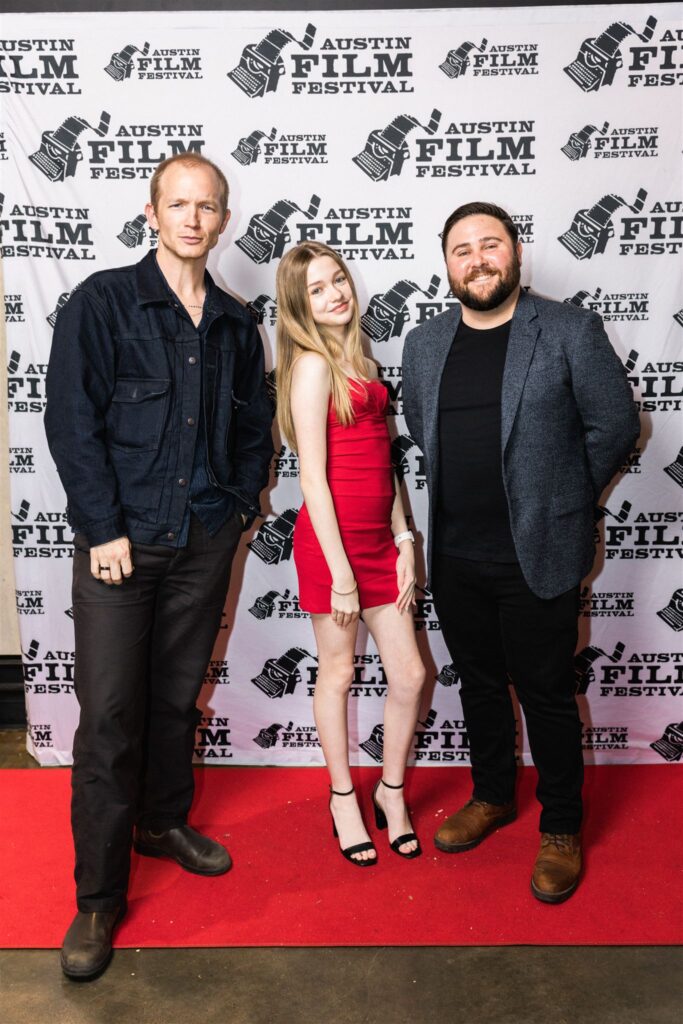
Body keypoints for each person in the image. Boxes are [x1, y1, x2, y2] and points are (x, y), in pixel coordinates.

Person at [44, 153, 274, 978]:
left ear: (221, 221)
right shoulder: (102, 302)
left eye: (206, 207)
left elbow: (255, 431)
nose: (191, 219)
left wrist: (239, 505)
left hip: (202, 540)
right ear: (151, 212)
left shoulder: (235, 323)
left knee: (176, 699)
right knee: (109, 716)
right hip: (121, 546)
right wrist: (102, 526)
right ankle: (99, 901)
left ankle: (161, 821)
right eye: (177, 204)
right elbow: (72, 422)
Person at [402, 201, 640, 902]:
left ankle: (561, 826)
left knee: (544, 692)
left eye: (490, 245)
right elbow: (421, 426)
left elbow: (613, 425)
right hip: (453, 553)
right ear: (447, 264)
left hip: (537, 550)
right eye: (461, 250)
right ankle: (492, 795)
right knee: (476, 684)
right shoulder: (423, 342)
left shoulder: (567, 329)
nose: (477, 260)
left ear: (514, 253)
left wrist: (563, 496)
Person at [275, 242, 425, 866]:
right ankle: (342, 798)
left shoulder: (359, 359)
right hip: (331, 550)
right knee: (336, 674)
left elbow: (383, 462)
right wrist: (341, 575)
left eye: (338, 279)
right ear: (297, 305)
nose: (336, 292)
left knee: (411, 675)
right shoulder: (312, 366)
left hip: (376, 543)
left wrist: (404, 540)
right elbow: (313, 479)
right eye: (317, 288)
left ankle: (391, 794)